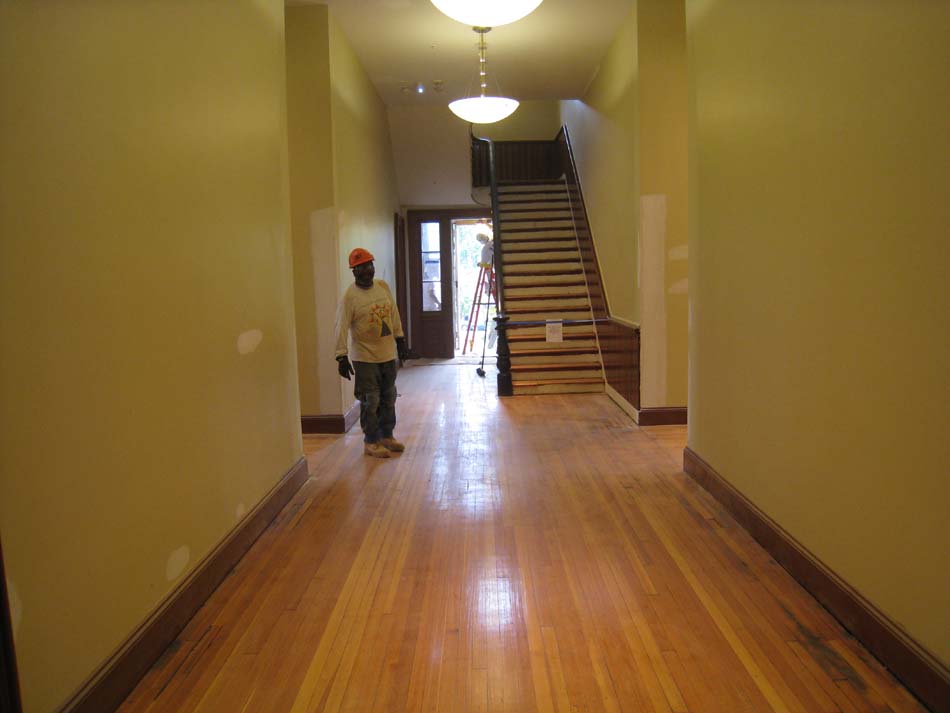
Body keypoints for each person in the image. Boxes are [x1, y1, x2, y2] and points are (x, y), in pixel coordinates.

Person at [334, 248, 409, 459]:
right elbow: (340, 326)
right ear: (354, 271)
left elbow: (393, 313)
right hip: (365, 357)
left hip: (387, 354)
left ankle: (387, 435)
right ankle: (371, 441)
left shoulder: (382, 287)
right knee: (371, 399)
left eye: (370, 265)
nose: (367, 270)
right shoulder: (350, 297)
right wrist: (341, 355)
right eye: (362, 267)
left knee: (389, 396)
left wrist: (400, 339)